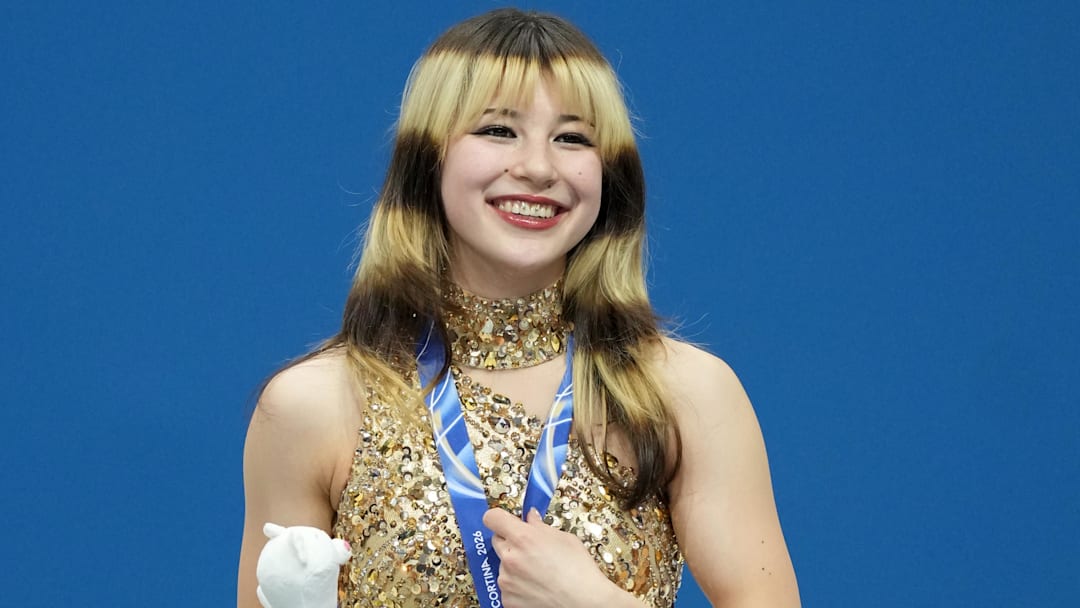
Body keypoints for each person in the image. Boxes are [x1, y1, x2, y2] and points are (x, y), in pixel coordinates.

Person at [238, 8, 800, 608]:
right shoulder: (312, 407)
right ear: (427, 158)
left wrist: (594, 601)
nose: (537, 167)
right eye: (498, 130)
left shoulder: (683, 394)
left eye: (572, 138)